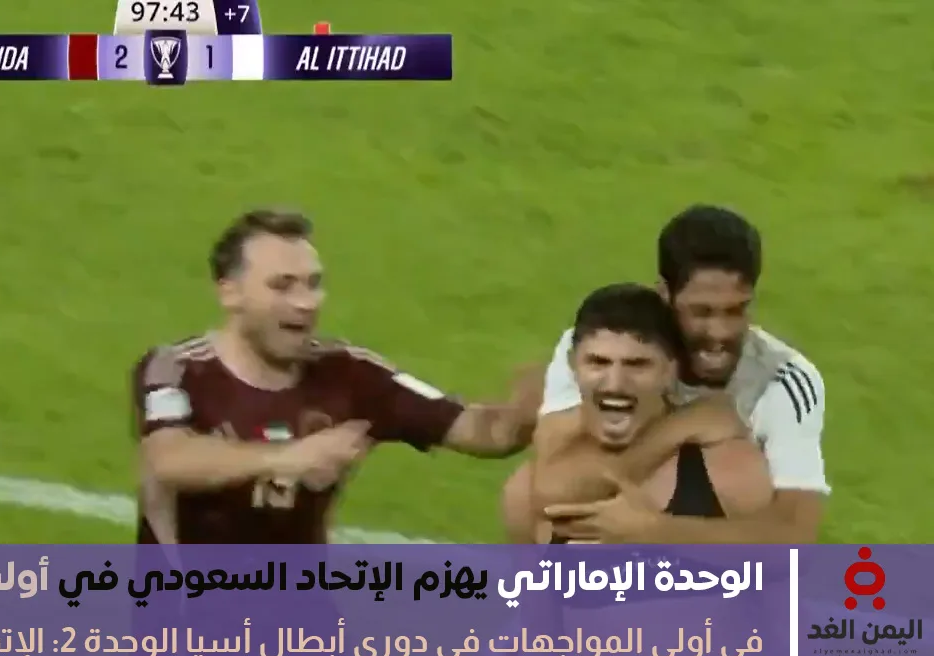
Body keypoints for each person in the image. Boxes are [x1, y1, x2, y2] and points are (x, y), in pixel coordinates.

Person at [133, 209, 536, 544]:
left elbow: (488, 433)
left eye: (313, 284)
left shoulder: (350, 374)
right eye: (282, 286)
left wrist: (536, 400)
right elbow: (169, 458)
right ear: (230, 293)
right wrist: (290, 457)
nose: (305, 303)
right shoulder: (176, 368)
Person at [502, 205, 828, 544]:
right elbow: (549, 488)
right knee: (522, 492)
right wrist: (685, 425)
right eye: (701, 312)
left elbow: (796, 539)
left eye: (735, 311)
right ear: (664, 295)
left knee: (735, 468)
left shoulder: (783, 381)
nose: (719, 332)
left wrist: (653, 530)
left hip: (726, 537)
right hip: (620, 507)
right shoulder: (602, 348)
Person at [526, 283, 773, 543]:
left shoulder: (726, 467)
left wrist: (659, 532)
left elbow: (781, 560)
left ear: (670, 371)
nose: (615, 384)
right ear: (573, 366)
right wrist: (678, 428)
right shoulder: (541, 477)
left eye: (637, 365)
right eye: (598, 362)